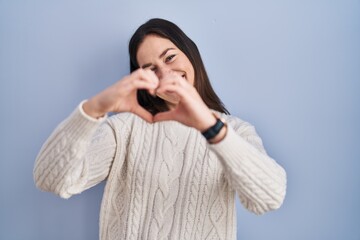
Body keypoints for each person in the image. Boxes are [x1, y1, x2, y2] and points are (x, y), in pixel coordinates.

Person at [33, 18, 287, 240]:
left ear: (191, 53)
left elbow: (269, 197)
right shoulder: (125, 129)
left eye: (170, 57)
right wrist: (94, 108)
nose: (166, 73)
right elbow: (51, 180)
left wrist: (211, 128)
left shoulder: (234, 132)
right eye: (151, 69)